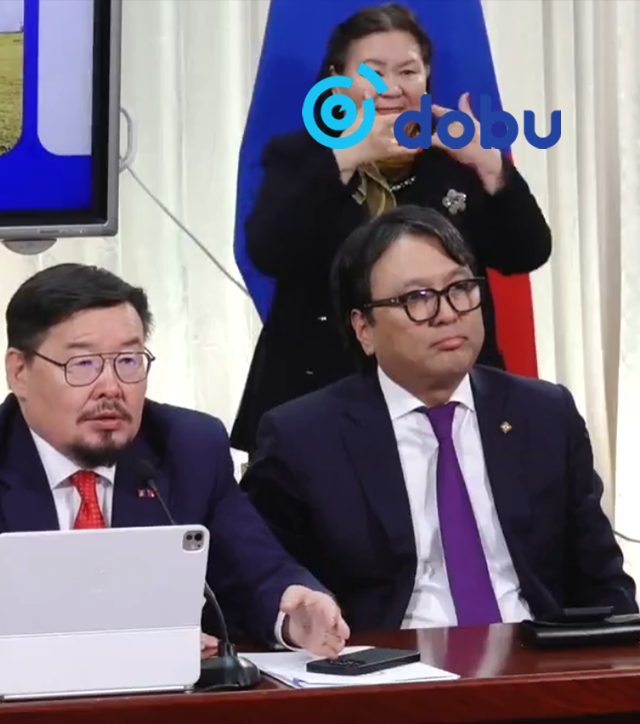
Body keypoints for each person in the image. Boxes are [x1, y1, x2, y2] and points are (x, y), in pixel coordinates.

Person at [0, 263, 350, 661]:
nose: (111, 388)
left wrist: (294, 613)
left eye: (128, 361)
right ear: (19, 372)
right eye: (83, 365)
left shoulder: (188, 447)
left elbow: (258, 573)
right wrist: (108, 631)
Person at [240, 205, 636, 633]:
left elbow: (604, 584)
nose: (448, 313)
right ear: (364, 328)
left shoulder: (544, 415)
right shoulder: (303, 439)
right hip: (390, 662)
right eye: (417, 298)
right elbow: (260, 584)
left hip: (537, 654)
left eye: (460, 288)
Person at [229, 2, 552, 454]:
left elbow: (527, 252)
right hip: (319, 400)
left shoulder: (453, 156)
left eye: (408, 72)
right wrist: (347, 157)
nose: (392, 88)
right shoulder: (301, 156)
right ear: (337, 77)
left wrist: (491, 167)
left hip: (448, 398)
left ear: (427, 78)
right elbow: (269, 251)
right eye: (374, 71)